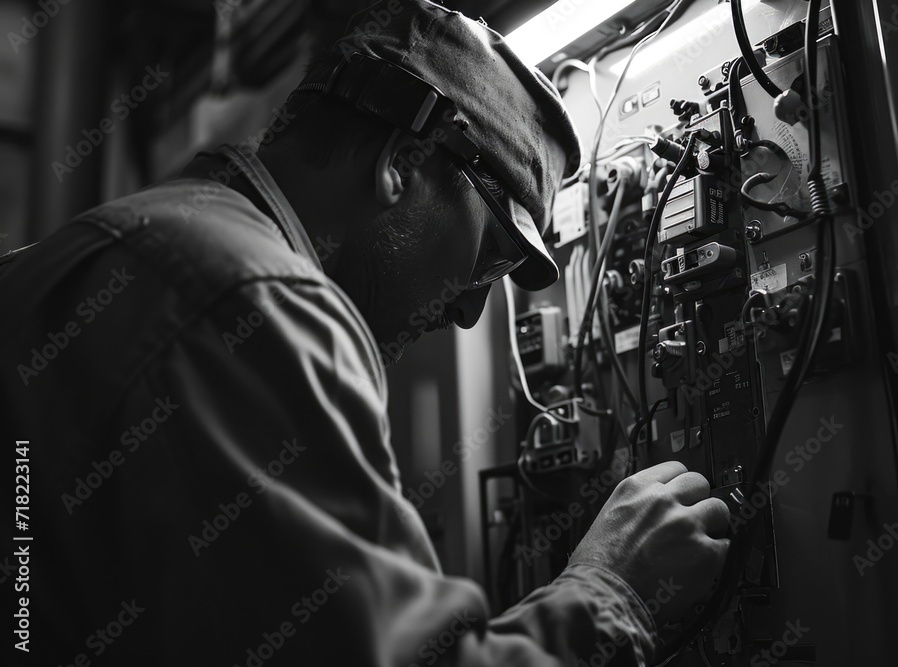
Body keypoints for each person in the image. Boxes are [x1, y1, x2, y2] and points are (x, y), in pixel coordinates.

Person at [0, 1, 729, 664]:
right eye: (486, 258)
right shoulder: (255, 300)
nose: (470, 311)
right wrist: (613, 590)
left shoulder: (65, 264)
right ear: (401, 163)